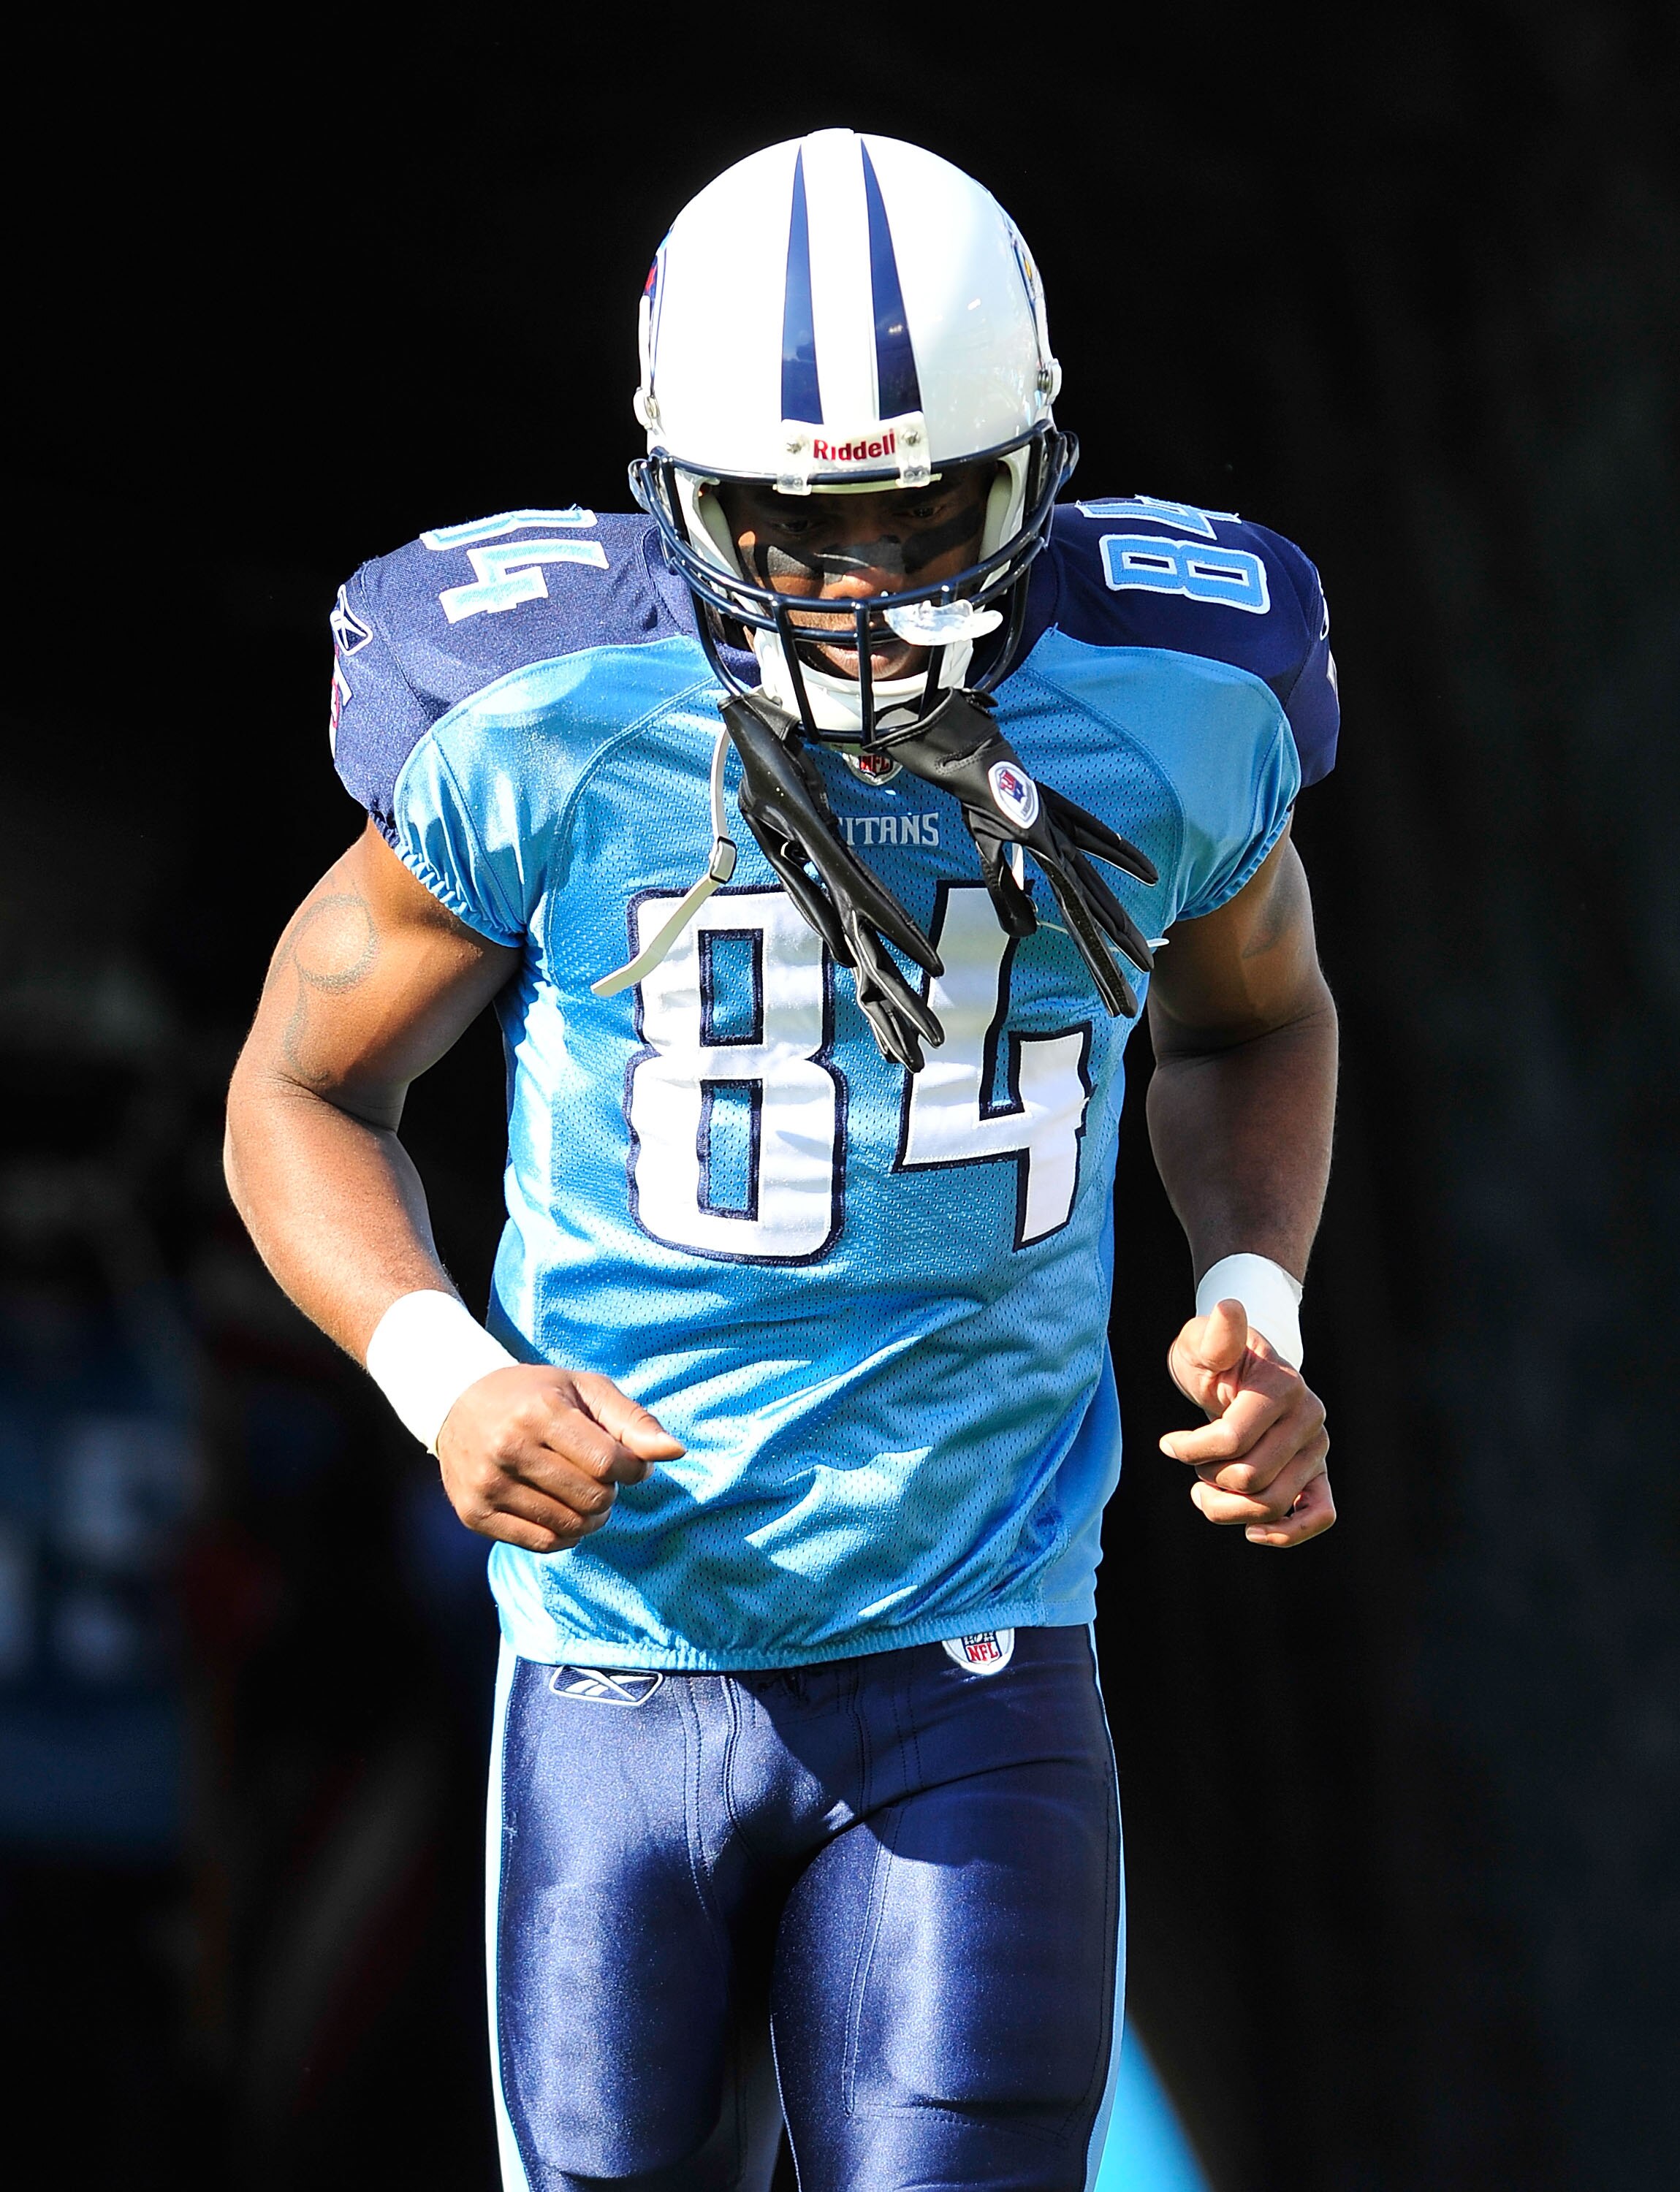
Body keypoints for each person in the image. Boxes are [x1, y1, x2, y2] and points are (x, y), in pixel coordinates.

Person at [225, 127, 1338, 2192]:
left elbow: (1256, 1017)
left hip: (977, 1635)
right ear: (680, 497)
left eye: (926, 516)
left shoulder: (1173, 700)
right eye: (797, 531)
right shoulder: (544, 706)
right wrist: (443, 1376)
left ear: (1035, 470)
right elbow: (300, 1086)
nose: (869, 592)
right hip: (620, 1643)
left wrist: (1250, 1288)